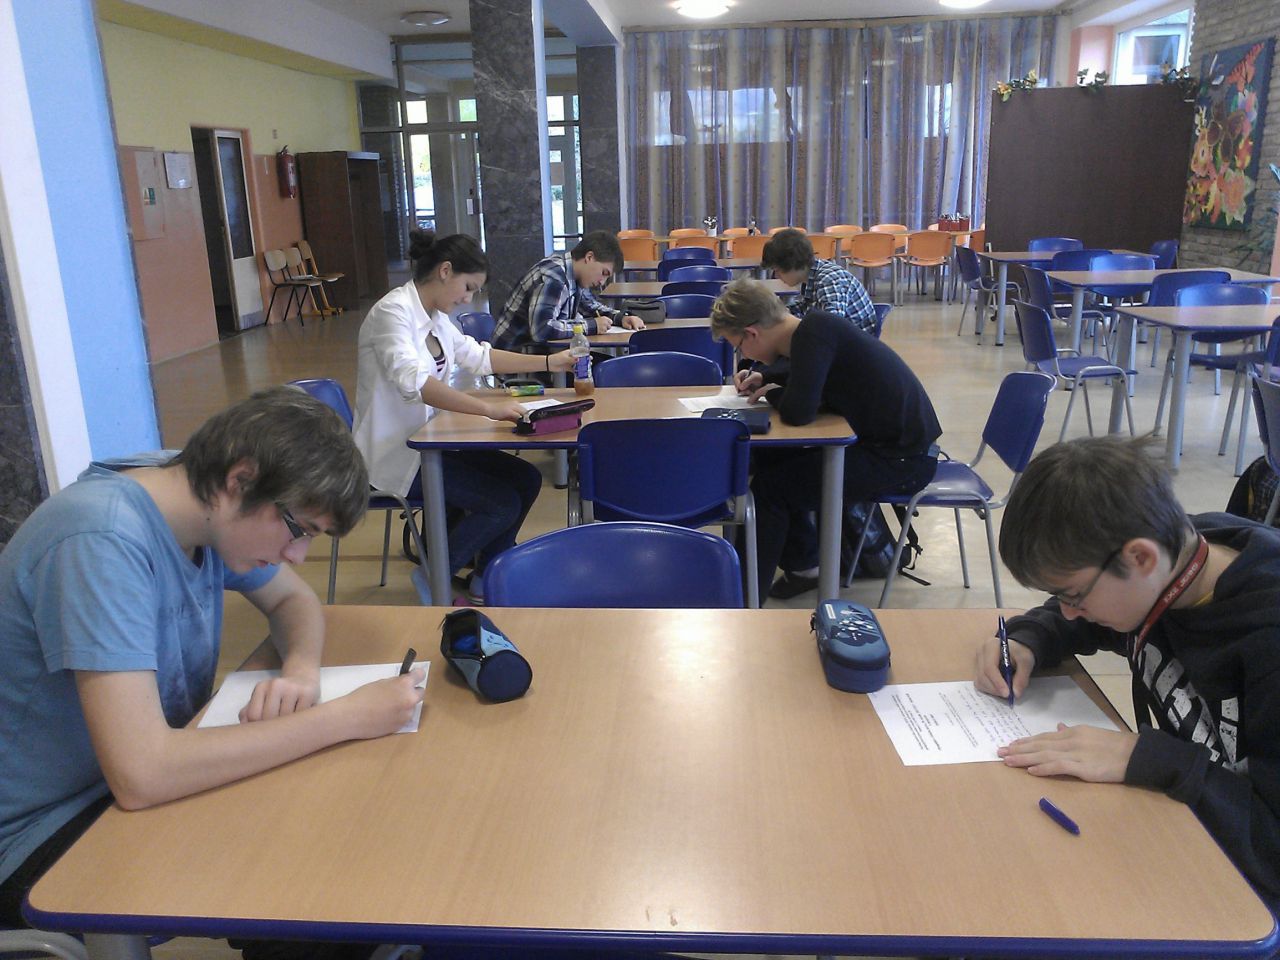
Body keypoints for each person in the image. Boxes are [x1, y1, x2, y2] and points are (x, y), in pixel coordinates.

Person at [0, 387, 425, 957]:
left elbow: (294, 601)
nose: (297, 555)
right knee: (306, 872)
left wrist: (301, 672)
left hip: (122, 778)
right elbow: (143, 774)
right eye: (300, 529)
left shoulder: (194, 501)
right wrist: (347, 716)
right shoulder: (101, 540)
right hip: (36, 832)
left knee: (324, 832)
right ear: (240, 480)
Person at [974, 435, 1280, 912]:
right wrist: (1030, 638)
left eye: (1074, 595)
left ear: (1140, 558)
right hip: (1191, 834)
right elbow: (1084, 618)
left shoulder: (1266, 638)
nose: (1068, 611)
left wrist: (1150, 757)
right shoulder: (1177, 560)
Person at [353, 231, 575, 604]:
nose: (468, 299)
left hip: (430, 442)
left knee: (527, 478)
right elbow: (416, 383)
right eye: (468, 287)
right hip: (394, 456)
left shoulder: (435, 318)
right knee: (500, 503)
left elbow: (479, 356)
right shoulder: (393, 313)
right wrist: (489, 409)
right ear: (445, 271)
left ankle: (486, 575)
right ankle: (435, 575)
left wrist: (550, 361)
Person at [710, 278, 941, 604]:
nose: (743, 354)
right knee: (772, 461)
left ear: (752, 333)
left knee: (769, 490)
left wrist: (772, 392)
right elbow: (808, 370)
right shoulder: (814, 329)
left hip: (903, 461)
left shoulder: (814, 335)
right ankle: (803, 567)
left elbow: (798, 413)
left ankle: (742, 600)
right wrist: (767, 376)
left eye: (738, 346)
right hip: (893, 448)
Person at [491, 231, 646, 351]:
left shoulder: (574, 276)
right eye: (604, 273)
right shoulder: (554, 276)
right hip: (518, 360)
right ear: (589, 257)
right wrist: (591, 326)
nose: (602, 282)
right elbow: (542, 330)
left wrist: (620, 318)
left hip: (545, 357)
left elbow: (590, 307)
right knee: (600, 373)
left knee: (602, 368)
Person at [761, 228, 877, 334]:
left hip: (850, 345)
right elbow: (806, 309)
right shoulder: (812, 276)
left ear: (793, 264)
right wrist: (778, 313)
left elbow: (832, 328)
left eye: (777, 270)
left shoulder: (828, 280)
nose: (776, 276)